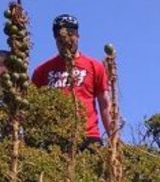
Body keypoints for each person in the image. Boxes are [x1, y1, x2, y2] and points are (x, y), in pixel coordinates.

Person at [31, 15, 113, 148]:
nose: (66, 40)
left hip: (89, 137)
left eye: (71, 34)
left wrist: (113, 137)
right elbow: (33, 108)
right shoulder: (42, 71)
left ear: (78, 35)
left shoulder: (95, 66)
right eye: (60, 37)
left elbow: (105, 104)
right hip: (54, 139)